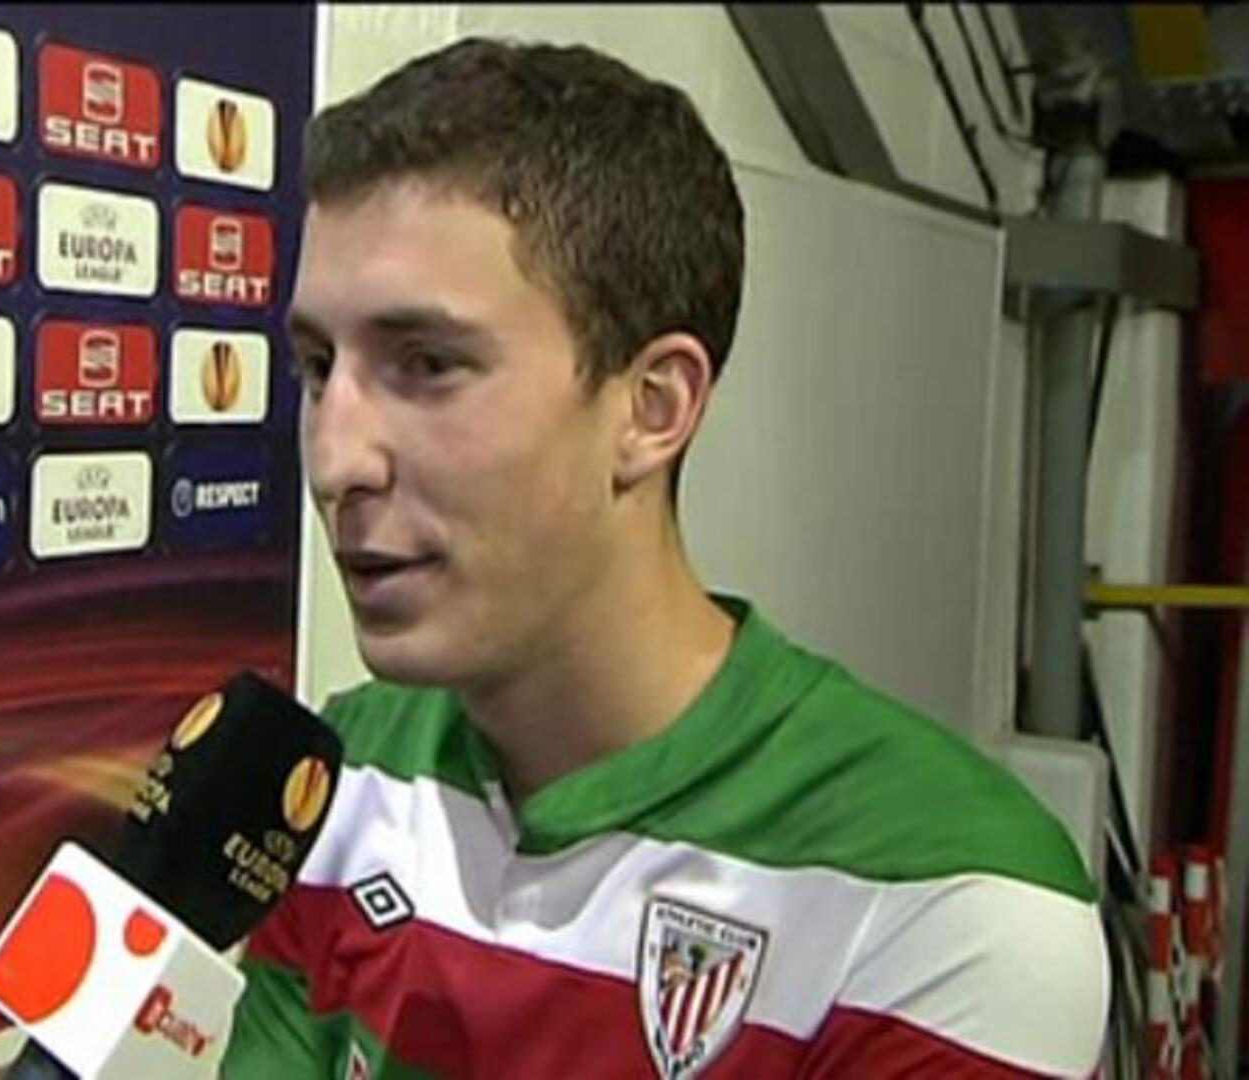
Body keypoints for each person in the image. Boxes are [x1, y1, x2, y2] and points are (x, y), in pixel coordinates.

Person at [216, 36, 1110, 1080]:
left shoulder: (954, 896)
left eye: (426, 364)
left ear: (652, 409)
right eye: (319, 367)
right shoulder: (336, 773)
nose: (335, 459)